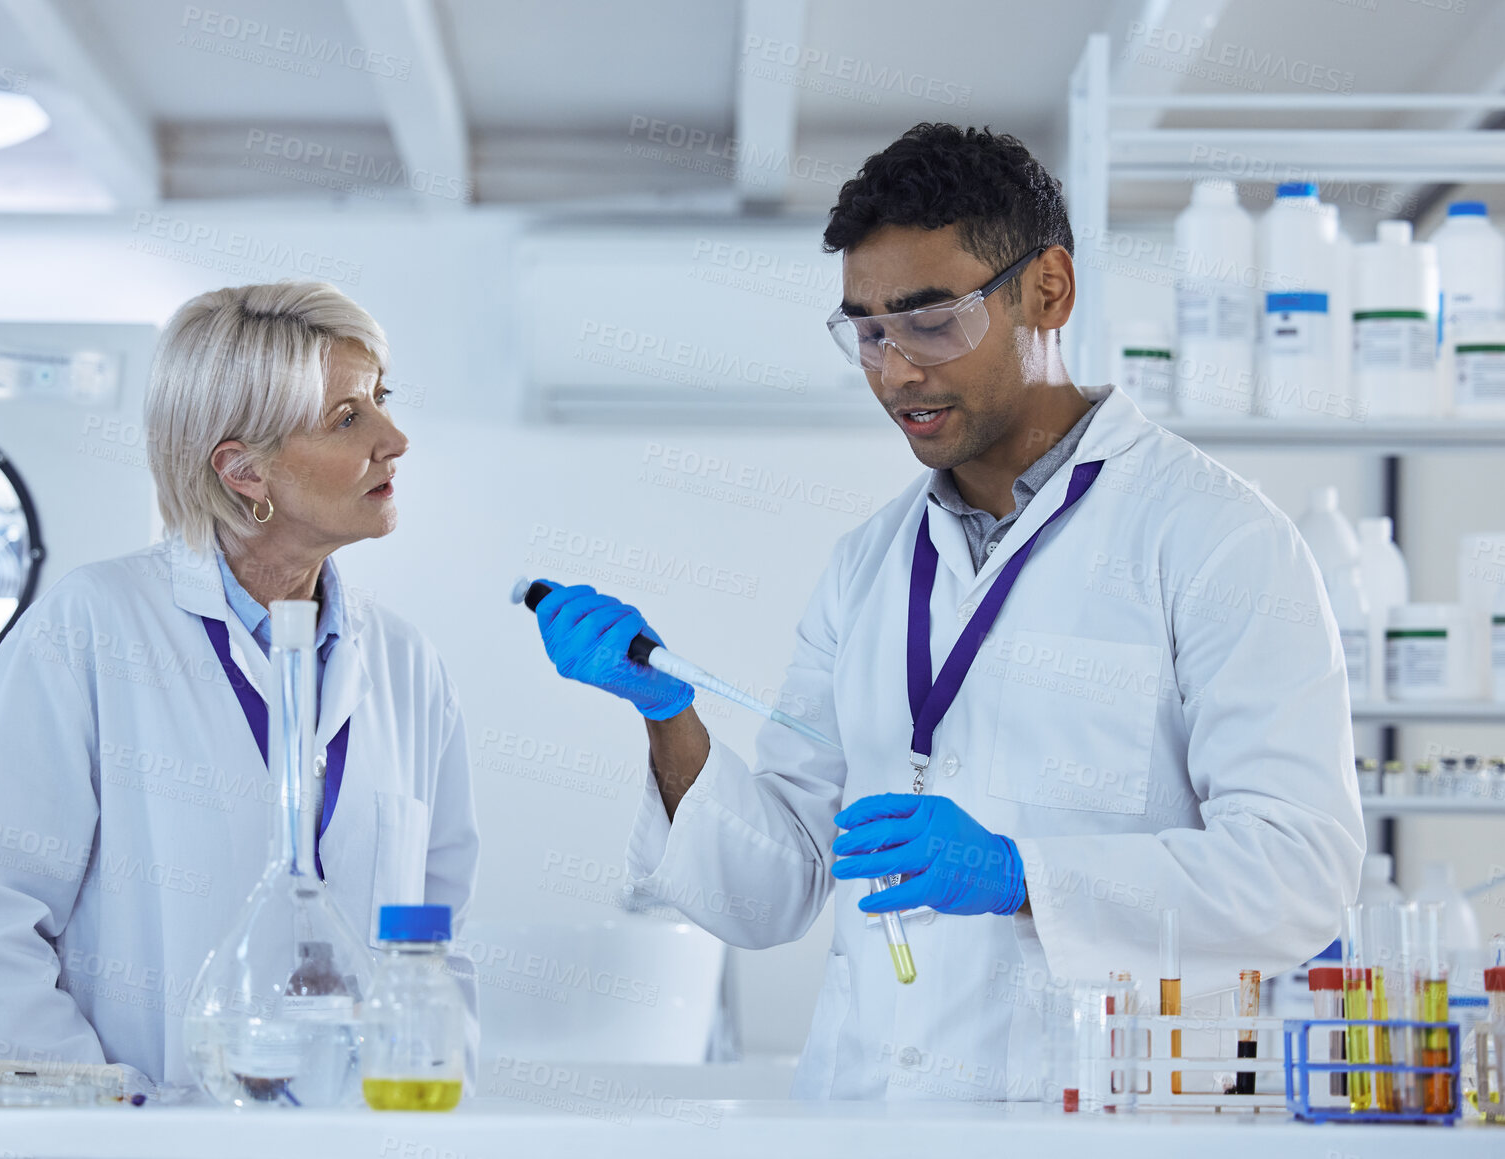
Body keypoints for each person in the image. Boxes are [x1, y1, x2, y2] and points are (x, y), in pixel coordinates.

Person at [527, 124, 1363, 1101]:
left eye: (932, 321)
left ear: (1047, 288)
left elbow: (1299, 874)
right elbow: (774, 888)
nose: (895, 372)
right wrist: (669, 715)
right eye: (869, 332)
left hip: (1096, 1118)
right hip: (870, 1114)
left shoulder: (1216, 539)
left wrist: (1024, 874)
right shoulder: (868, 566)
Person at [0, 281, 478, 1087]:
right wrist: (120, 1120)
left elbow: (442, 934)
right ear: (244, 470)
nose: (394, 438)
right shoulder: (90, 629)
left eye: (382, 400)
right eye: (348, 417)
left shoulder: (404, 662)